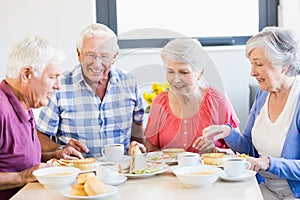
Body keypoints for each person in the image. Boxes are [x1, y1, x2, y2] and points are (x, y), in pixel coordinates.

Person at [202, 27, 300, 199]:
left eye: (259, 64)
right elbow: (249, 147)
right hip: (263, 188)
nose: (252, 72)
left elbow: (263, 161)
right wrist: (228, 133)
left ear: (283, 66)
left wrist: (267, 163)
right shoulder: (263, 94)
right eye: (252, 64)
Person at [36, 23, 144, 159]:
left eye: (104, 56)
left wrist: (138, 149)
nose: (97, 63)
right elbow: (40, 135)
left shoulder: (129, 82)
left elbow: (138, 127)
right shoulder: (60, 85)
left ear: (115, 56)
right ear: (79, 54)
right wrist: (61, 149)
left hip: (122, 171)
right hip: (77, 171)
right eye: (90, 55)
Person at [130, 38, 240, 154]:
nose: (176, 80)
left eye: (184, 72)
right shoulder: (160, 102)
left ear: (200, 73)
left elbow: (240, 152)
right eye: (170, 72)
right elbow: (151, 150)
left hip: (211, 171)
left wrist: (215, 150)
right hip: (169, 172)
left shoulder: (218, 100)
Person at [0, 36, 70, 199]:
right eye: (53, 77)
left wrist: (54, 155)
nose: (58, 86)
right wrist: (22, 177)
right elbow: (21, 172)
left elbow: (14, 159)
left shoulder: (24, 103)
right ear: (26, 74)